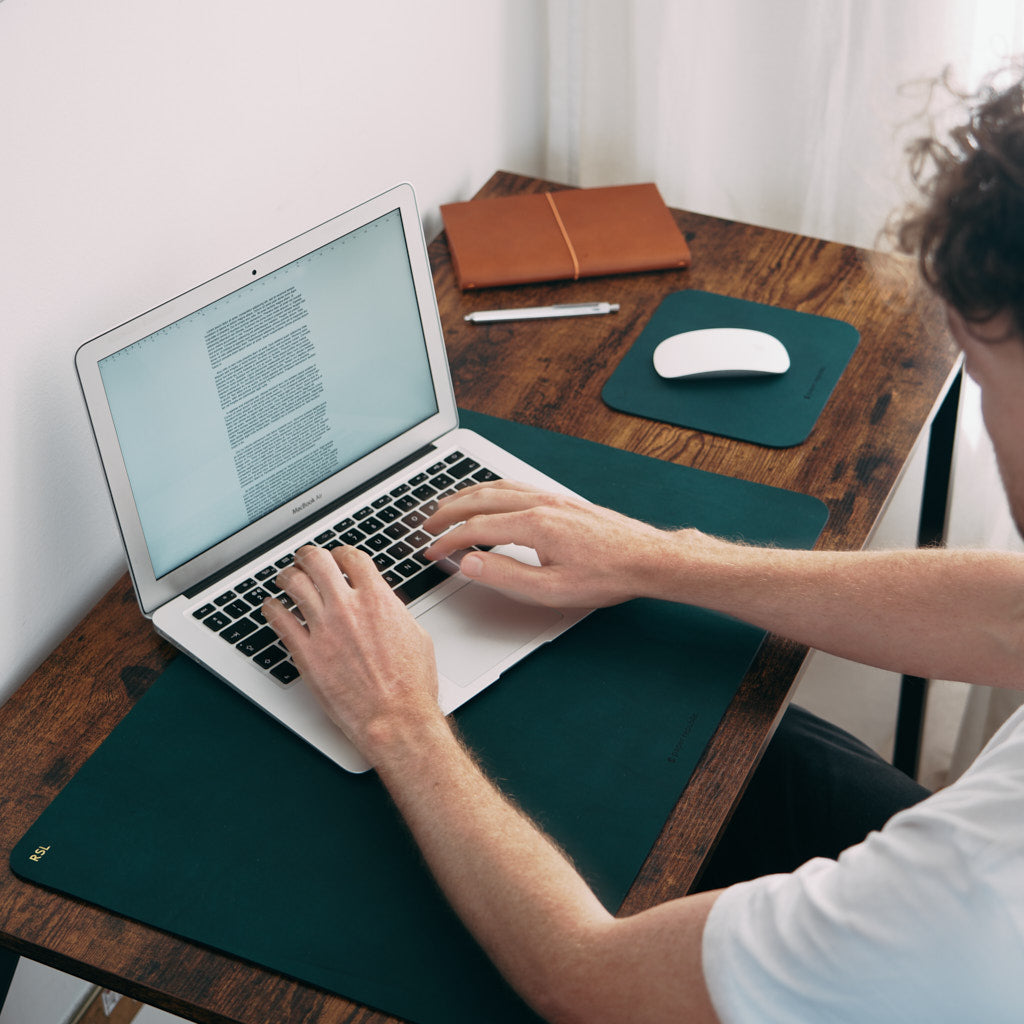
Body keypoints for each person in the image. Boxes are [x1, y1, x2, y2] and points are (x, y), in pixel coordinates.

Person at [263, 72, 1024, 1023]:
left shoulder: (973, 900)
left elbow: (591, 982)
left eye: (987, 375)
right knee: (749, 748)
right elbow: (1012, 617)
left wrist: (397, 723)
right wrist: (655, 557)